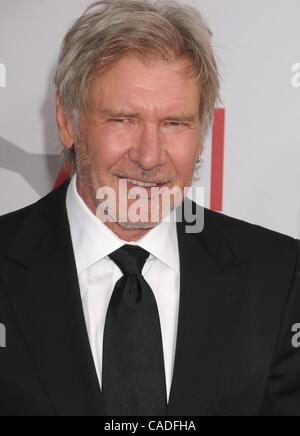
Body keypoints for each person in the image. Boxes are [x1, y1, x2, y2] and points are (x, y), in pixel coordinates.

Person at [0, 0, 299, 417]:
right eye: (122, 119)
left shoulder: (280, 276)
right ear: (67, 121)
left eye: (174, 123)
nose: (149, 155)